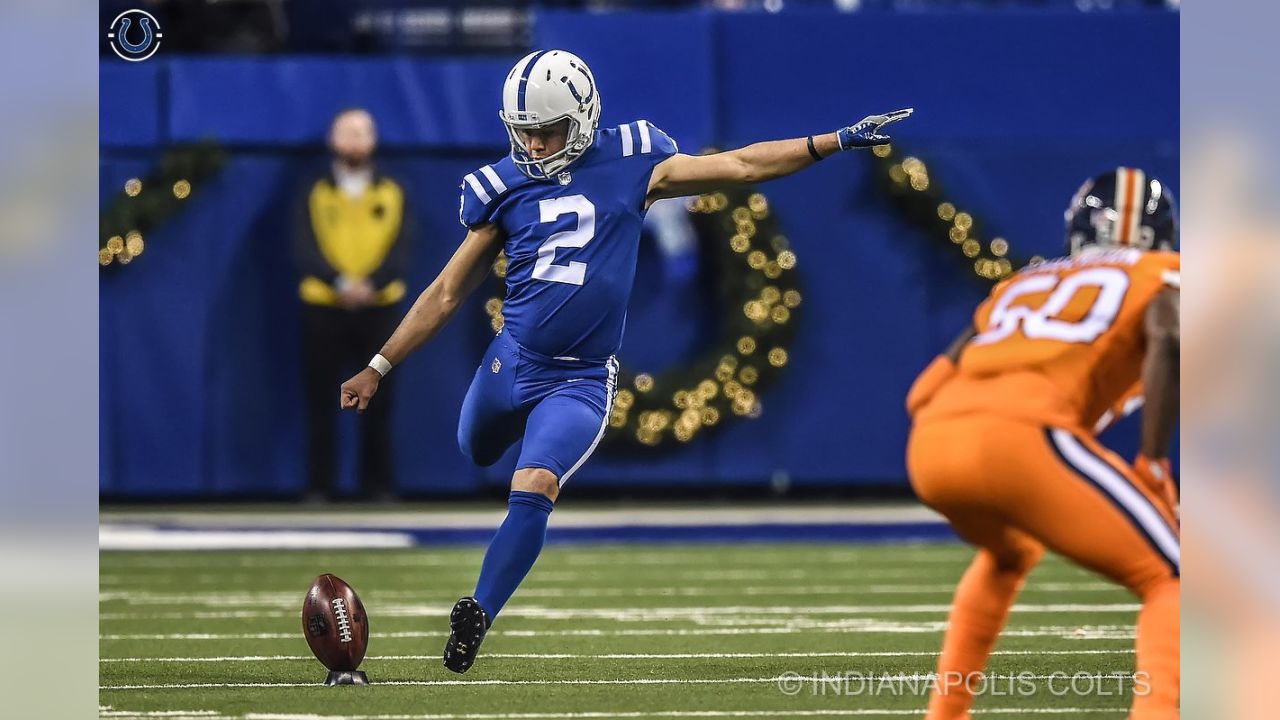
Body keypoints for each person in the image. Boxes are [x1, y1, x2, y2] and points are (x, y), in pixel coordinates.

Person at [338, 49, 911, 672]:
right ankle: (485, 553)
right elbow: (446, 292)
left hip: (579, 380)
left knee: (533, 485)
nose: (533, 141)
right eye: (523, 129)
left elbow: (742, 165)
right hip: (513, 359)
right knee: (474, 448)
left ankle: (478, 611)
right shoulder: (502, 185)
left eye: (546, 129)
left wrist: (829, 141)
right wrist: (380, 363)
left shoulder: (635, 158)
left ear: (582, 117)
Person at [905, 167, 1180, 720]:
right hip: (1021, 437)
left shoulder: (1025, 282)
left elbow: (921, 393)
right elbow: (1170, 338)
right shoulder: (1162, 272)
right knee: (1175, 579)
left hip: (932, 445)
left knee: (1010, 552)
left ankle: (945, 714)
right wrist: (1151, 460)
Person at [296, 108, 410, 502]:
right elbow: (302, 245)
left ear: (373, 140)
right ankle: (319, 486)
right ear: (333, 139)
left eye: (362, 133)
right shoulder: (314, 189)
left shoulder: (393, 189)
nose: (355, 141)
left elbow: (403, 247)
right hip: (323, 307)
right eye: (347, 133)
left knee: (378, 400)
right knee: (321, 401)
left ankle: (378, 487)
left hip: (380, 310)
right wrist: (340, 283)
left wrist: (372, 285)